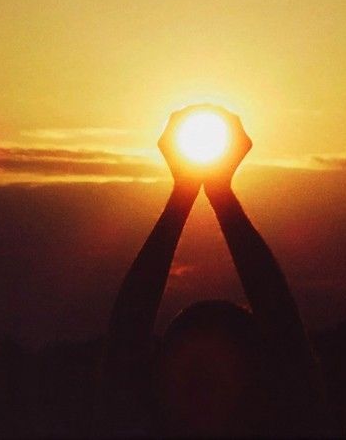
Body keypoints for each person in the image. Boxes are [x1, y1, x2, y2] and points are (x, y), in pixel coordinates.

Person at [97, 106, 331, 437]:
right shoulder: (291, 423)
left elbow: (126, 337)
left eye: (205, 377)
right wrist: (220, 194)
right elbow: (287, 339)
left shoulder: (134, 425)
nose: (201, 393)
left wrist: (184, 194)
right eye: (196, 376)